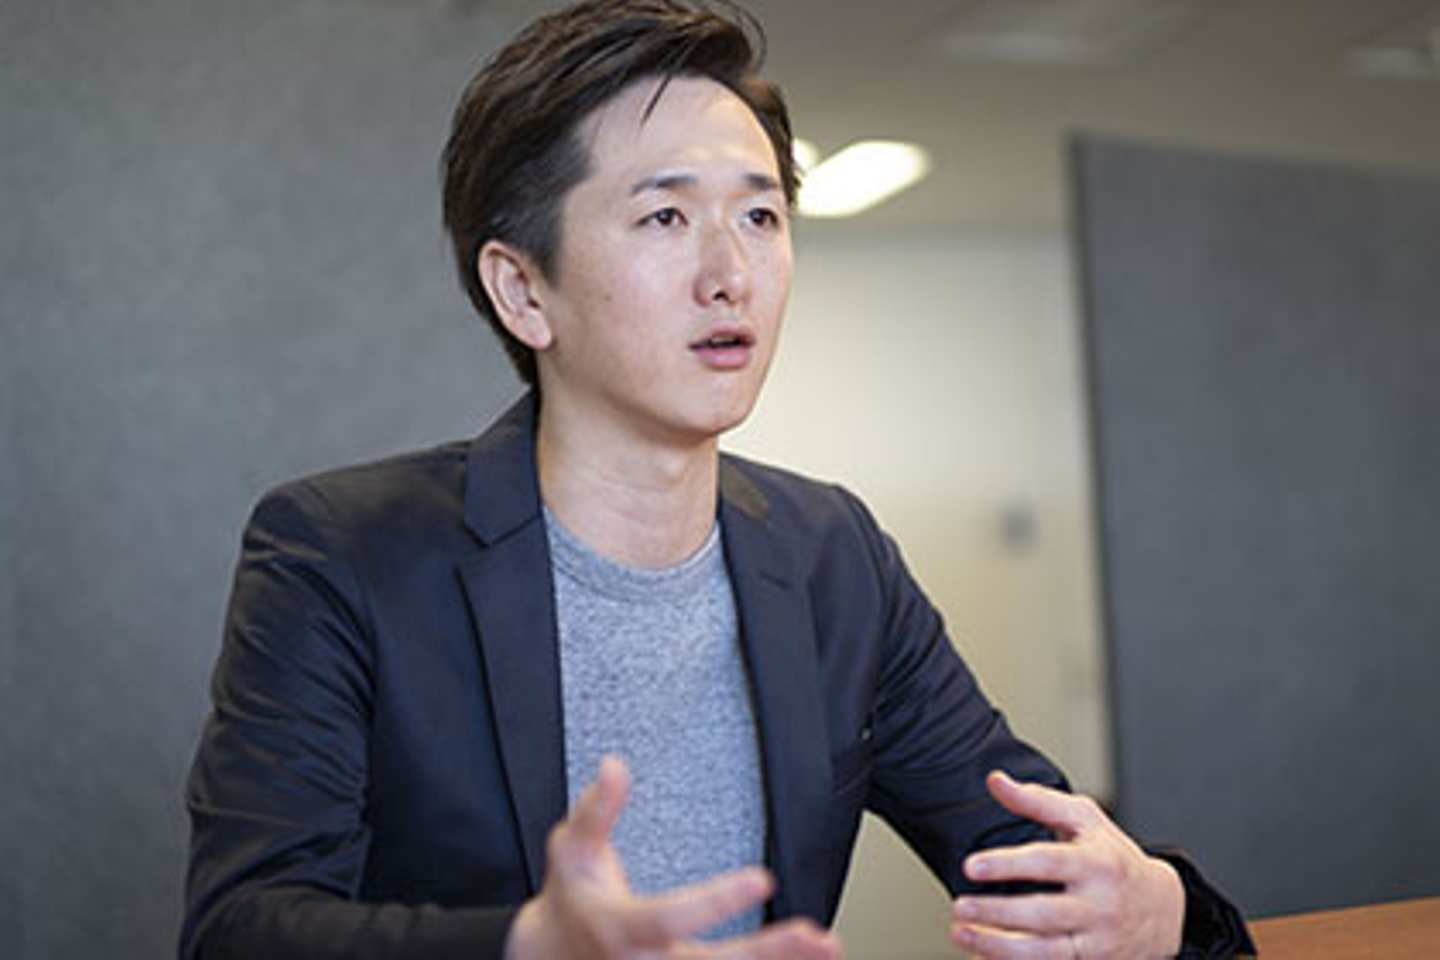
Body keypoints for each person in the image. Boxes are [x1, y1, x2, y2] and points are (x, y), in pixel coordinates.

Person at [180, 1, 1255, 957]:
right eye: (665, 216)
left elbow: (1042, 853)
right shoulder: (343, 553)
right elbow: (242, 927)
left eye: (760, 216)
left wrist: (1162, 909)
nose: (730, 273)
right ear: (522, 291)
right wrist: (527, 948)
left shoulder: (833, 557)